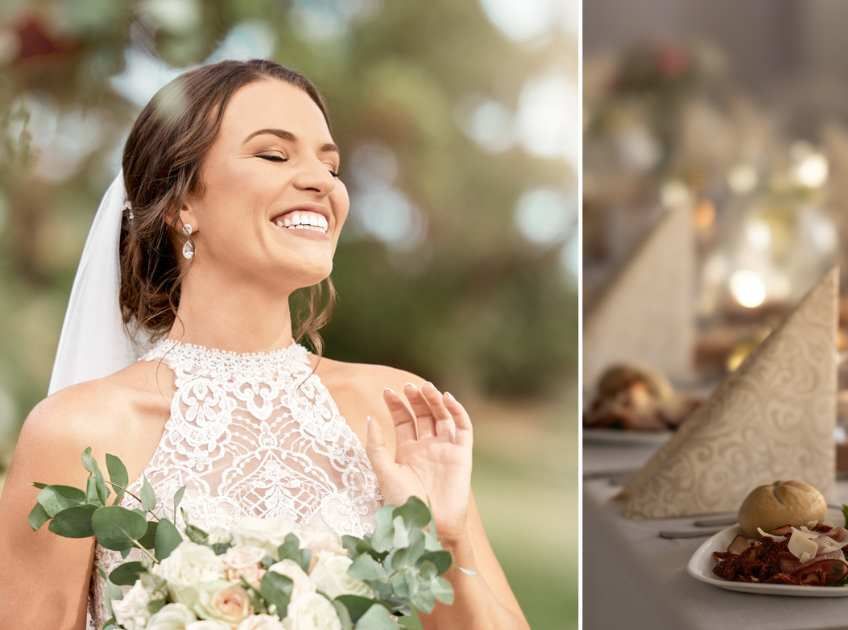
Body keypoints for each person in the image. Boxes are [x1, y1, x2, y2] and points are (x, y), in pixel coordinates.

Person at [0, 59, 528, 629]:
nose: (322, 182)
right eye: (274, 155)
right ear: (181, 203)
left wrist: (446, 541)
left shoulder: (396, 408)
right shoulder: (76, 435)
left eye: (331, 164)